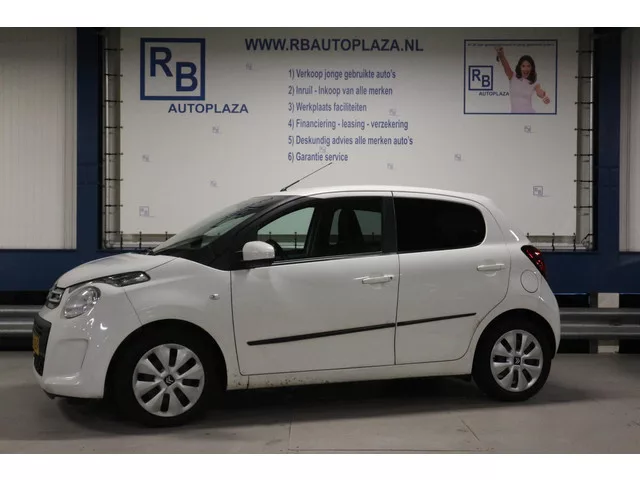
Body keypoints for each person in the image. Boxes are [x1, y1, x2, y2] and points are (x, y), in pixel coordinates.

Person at [495, 46, 550, 114]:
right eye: (523, 66)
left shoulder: (534, 83)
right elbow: (505, 65)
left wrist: (544, 96)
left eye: (528, 66)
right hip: (514, 116)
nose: (526, 69)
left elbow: (540, 92)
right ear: (520, 67)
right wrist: (501, 55)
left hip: (529, 115)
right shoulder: (512, 76)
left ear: (531, 68)